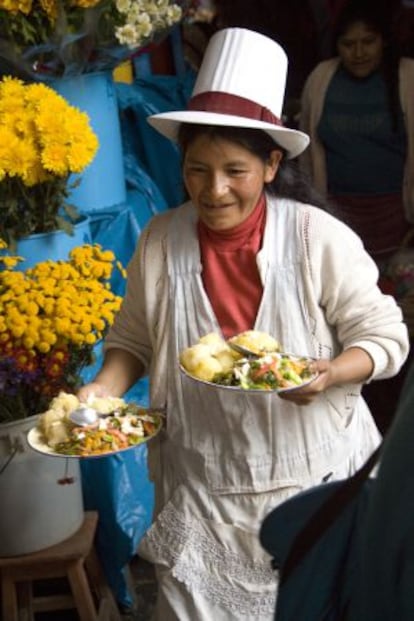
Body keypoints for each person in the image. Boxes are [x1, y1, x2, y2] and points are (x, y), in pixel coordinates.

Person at [78, 27, 409, 620]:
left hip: (313, 482)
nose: (215, 189)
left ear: (272, 163)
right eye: (197, 170)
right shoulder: (159, 239)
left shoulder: (316, 238)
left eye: (235, 169)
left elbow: (385, 339)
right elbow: (132, 339)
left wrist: (330, 372)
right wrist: (102, 390)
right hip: (202, 484)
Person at [299, 0, 414, 267]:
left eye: (368, 42)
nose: (358, 53)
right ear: (336, 45)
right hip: (335, 213)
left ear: (384, 41)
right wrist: (311, 204)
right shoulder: (320, 78)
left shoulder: (408, 76)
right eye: (348, 44)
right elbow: (307, 149)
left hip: (396, 216)